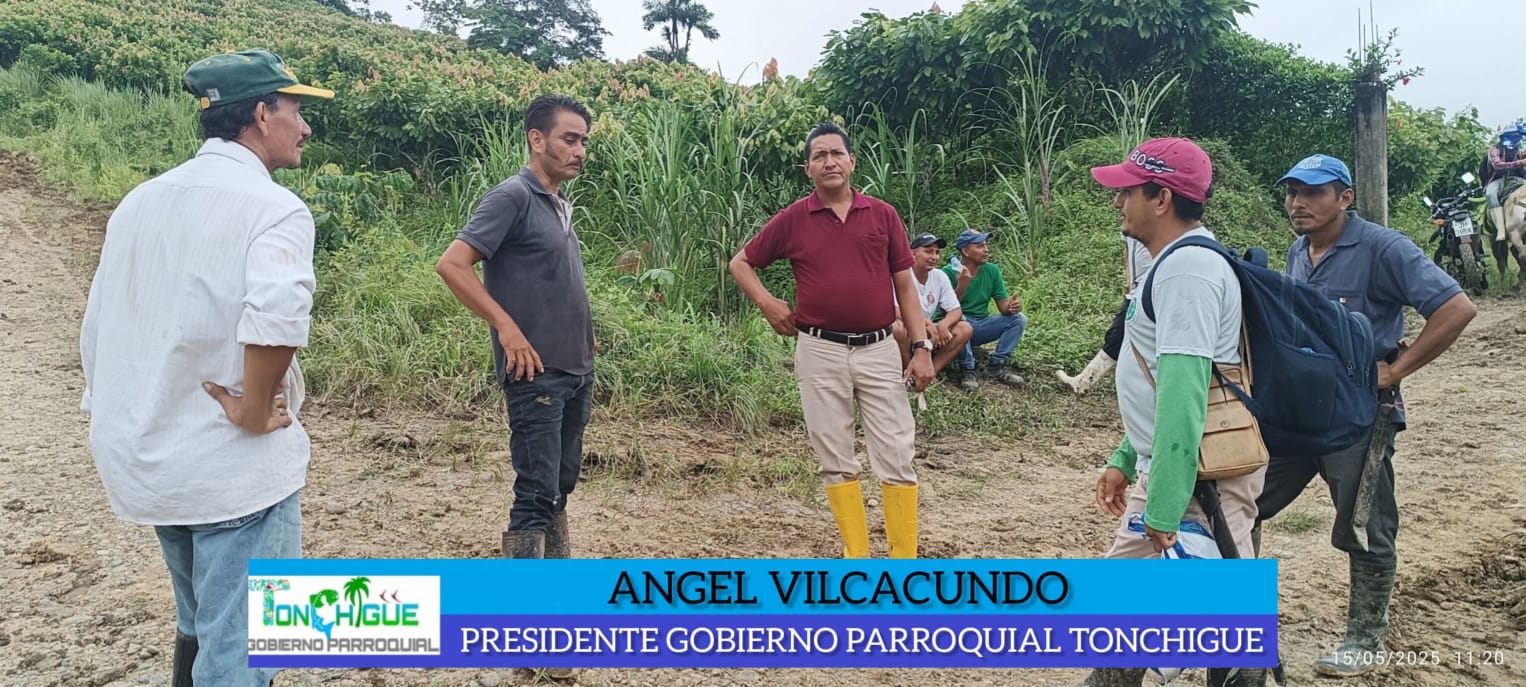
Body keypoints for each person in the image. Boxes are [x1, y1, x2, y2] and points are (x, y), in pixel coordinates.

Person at [78, 49, 332, 686]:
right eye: (296, 110)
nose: (305, 127)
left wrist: (117, 413)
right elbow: (276, 320)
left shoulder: (142, 200)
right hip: (231, 470)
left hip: (151, 458)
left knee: (198, 622)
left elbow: (100, 323)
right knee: (241, 649)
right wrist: (253, 409)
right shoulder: (273, 207)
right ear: (260, 114)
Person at [1255, 153, 1477, 678]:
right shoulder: (1298, 251)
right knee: (1243, 503)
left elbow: (1456, 308)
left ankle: (1365, 639)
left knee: (1366, 523)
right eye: (1291, 192)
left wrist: (1395, 369)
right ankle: (1237, 628)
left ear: (1345, 197)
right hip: (1298, 412)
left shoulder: (1383, 248)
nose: (1297, 203)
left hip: (1359, 414)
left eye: (1312, 192)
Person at [1081, 137, 1267, 687]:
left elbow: (1186, 394)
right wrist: (1126, 456)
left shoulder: (1187, 272)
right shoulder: (1173, 264)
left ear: (1161, 199)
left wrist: (1162, 504)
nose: (1118, 201)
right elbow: (1158, 385)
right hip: (1177, 467)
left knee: (1221, 626)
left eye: (1128, 191)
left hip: (1199, 478)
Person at [729, 122, 935, 559]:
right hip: (819, 349)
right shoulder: (793, 219)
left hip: (879, 348)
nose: (829, 162)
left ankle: (903, 561)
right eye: (819, 156)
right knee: (835, 457)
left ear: (852, 161)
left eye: (836, 153)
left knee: (898, 453)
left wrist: (921, 348)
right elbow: (741, 263)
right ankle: (855, 558)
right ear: (808, 168)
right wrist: (768, 303)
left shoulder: (882, 215)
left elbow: (905, 286)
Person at [1054, 232, 1154, 393]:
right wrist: (1128, 280)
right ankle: (1084, 381)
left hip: (1150, 289)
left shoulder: (1158, 223)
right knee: (1119, 336)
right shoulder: (1129, 225)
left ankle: (1083, 382)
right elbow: (1127, 250)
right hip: (1136, 290)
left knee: (1117, 336)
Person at [942, 228, 1028, 390]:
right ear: (965, 251)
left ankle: (996, 366)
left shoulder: (991, 270)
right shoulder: (947, 273)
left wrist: (1011, 307)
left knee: (1019, 319)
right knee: (960, 319)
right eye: (980, 246)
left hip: (981, 324)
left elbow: (1003, 307)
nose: (986, 250)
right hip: (957, 328)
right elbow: (946, 311)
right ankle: (968, 369)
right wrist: (962, 285)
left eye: (986, 245)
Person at [891, 233, 974, 378]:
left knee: (964, 328)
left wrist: (944, 325)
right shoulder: (901, 275)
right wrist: (923, 322)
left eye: (937, 252)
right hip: (908, 330)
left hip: (930, 331)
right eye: (928, 251)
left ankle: (931, 372)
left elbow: (956, 310)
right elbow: (894, 310)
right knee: (897, 328)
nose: (934, 257)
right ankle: (907, 369)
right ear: (912, 254)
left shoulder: (939, 276)